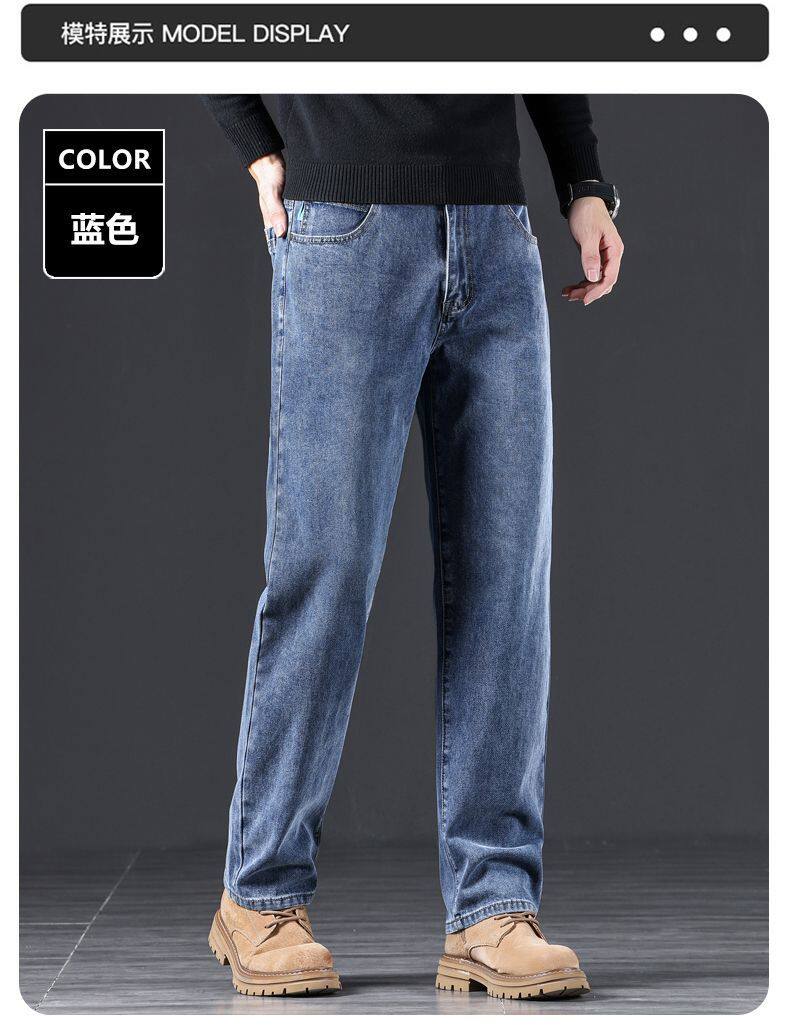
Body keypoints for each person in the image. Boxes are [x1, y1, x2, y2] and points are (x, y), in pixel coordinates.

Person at [202, 94, 623, 1000]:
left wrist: (582, 181)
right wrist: (256, 144)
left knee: (506, 578)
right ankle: (258, 894)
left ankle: (493, 907)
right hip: (344, 221)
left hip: (495, 228)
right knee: (326, 570)